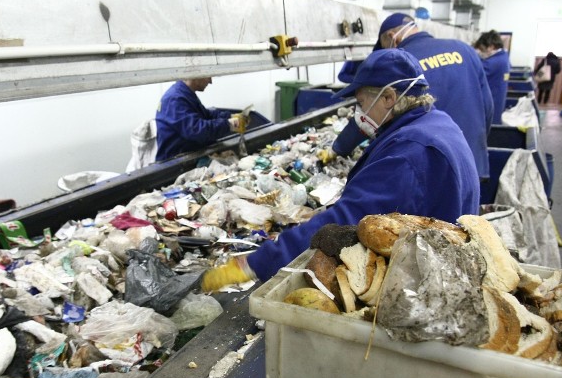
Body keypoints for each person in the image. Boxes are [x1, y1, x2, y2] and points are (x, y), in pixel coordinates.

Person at [201, 48, 480, 289]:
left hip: (428, 278)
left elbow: (348, 220)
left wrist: (257, 262)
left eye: (360, 103)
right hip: (441, 263)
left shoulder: (409, 154)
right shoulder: (434, 122)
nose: (358, 113)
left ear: (389, 98)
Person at [335, 13, 494, 180]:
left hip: (432, 170)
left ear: (391, 37)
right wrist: (477, 145)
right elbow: (488, 107)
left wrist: (339, 147)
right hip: (472, 161)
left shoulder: (402, 63)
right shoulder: (464, 50)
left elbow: (367, 114)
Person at [154, 77, 248, 161]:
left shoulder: (185, 93)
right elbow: (197, 131)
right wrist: (230, 124)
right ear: (195, 73)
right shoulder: (174, 99)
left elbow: (206, 115)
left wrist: (230, 116)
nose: (210, 81)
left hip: (188, 156)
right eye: (208, 76)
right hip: (174, 165)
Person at [474, 30, 512, 122]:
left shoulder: (495, 62)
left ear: (491, 47)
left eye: (482, 49)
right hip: (497, 104)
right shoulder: (504, 57)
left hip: (491, 105)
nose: (481, 52)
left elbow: (474, 69)